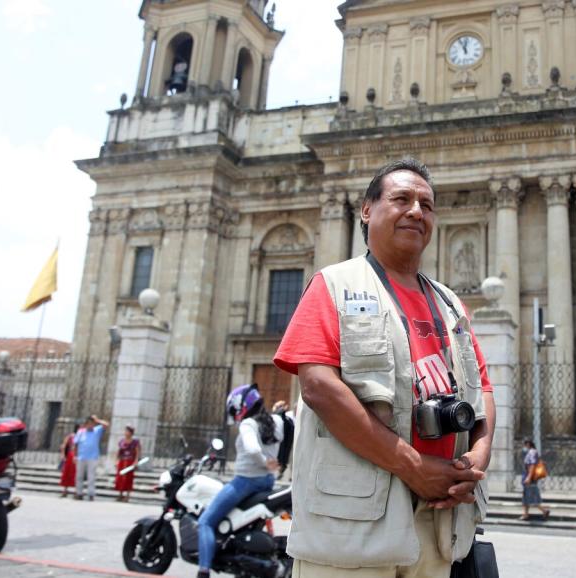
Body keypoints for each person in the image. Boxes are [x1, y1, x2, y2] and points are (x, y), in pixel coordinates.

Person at [273, 158, 497, 577]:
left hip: (438, 525)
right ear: (367, 209)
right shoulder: (333, 285)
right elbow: (319, 387)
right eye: (402, 199)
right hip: (353, 530)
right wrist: (412, 466)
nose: (416, 211)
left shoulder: (451, 304)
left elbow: (482, 387)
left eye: (427, 205)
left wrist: (477, 457)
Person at [196, 384, 283, 578]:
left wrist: (264, 462)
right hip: (267, 482)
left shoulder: (248, 424)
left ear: (241, 406)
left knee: (205, 522)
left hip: (246, 481)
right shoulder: (275, 422)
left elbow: (252, 449)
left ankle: (203, 571)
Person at [73, 414, 109, 501]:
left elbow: (106, 425)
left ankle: (91, 493)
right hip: (81, 457)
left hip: (92, 457)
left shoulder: (97, 431)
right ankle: (79, 493)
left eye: (92, 423)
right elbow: (76, 445)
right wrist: (75, 456)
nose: (90, 425)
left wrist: (97, 420)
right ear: (86, 424)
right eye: (89, 423)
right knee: (79, 476)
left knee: (91, 476)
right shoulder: (81, 432)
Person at [521, 439, 550, 521]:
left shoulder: (532, 452)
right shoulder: (532, 452)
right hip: (528, 477)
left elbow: (532, 465)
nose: (524, 447)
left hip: (530, 478)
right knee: (526, 496)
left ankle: (544, 511)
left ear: (528, 444)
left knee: (531, 496)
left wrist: (528, 477)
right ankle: (525, 514)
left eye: (525, 444)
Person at [114, 425, 140, 502]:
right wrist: (116, 461)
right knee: (120, 478)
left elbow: (137, 452)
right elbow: (119, 452)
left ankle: (127, 496)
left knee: (128, 478)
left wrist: (136, 461)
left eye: (128, 431)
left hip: (130, 461)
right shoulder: (122, 441)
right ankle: (120, 494)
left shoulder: (135, 442)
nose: (126, 433)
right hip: (122, 461)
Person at [59, 424, 78, 497]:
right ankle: (65, 490)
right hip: (71, 456)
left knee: (75, 474)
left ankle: (74, 491)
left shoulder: (80, 436)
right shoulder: (71, 436)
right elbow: (64, 446)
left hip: (76, 456)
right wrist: (63, 455)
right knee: (67, 473)